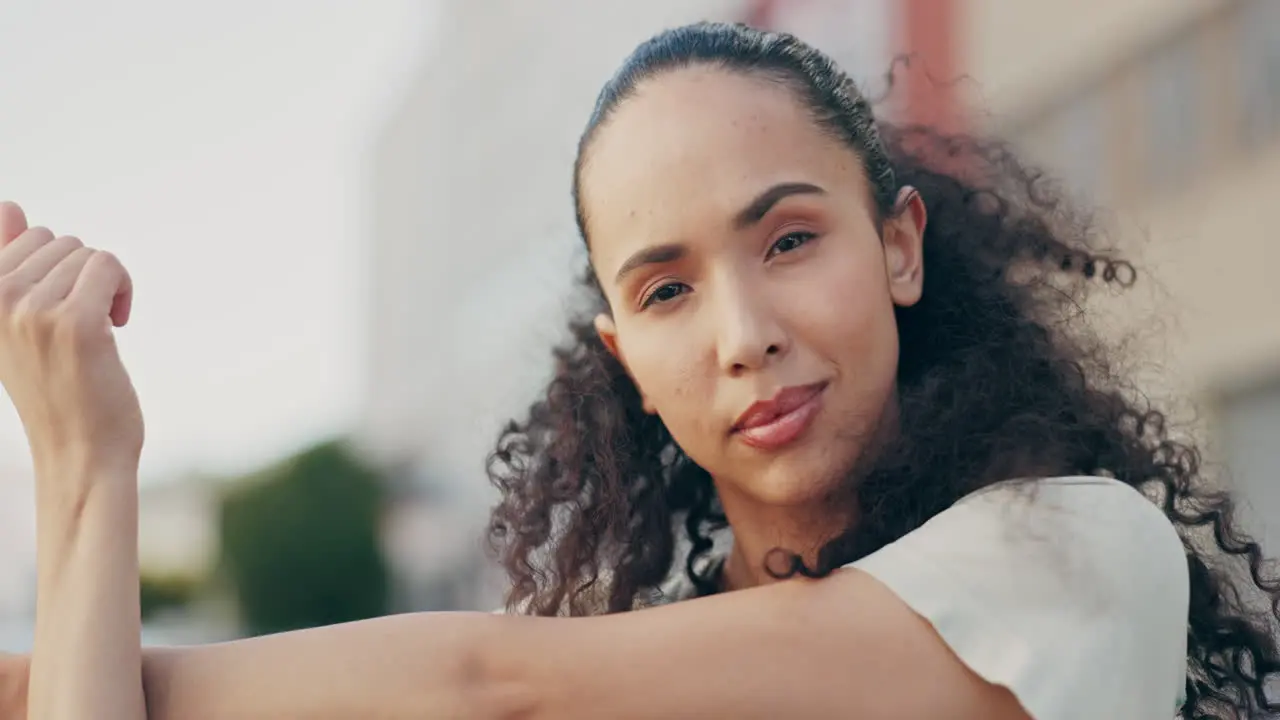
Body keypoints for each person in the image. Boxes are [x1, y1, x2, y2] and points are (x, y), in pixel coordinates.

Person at [0, 21, 1276, 720]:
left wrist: (83, 467)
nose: (741, 332)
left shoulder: (1075, 558)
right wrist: (78, 517)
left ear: (897, 244)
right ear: (623, 357)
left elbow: (493, 684)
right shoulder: (628, 650)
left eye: (787, 238)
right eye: (665, 288)